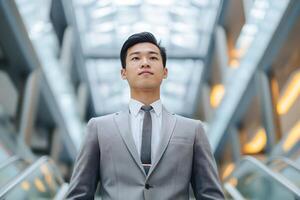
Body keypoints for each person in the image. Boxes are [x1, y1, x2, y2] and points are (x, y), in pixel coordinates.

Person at [66, 32, 225, 200]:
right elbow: (79, 194)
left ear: (165, 72)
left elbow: (211, 195)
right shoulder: (99, 128)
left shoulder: (193, 130)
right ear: (123, 73)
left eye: (153, 58)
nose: (145, 63)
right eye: (135, 58)